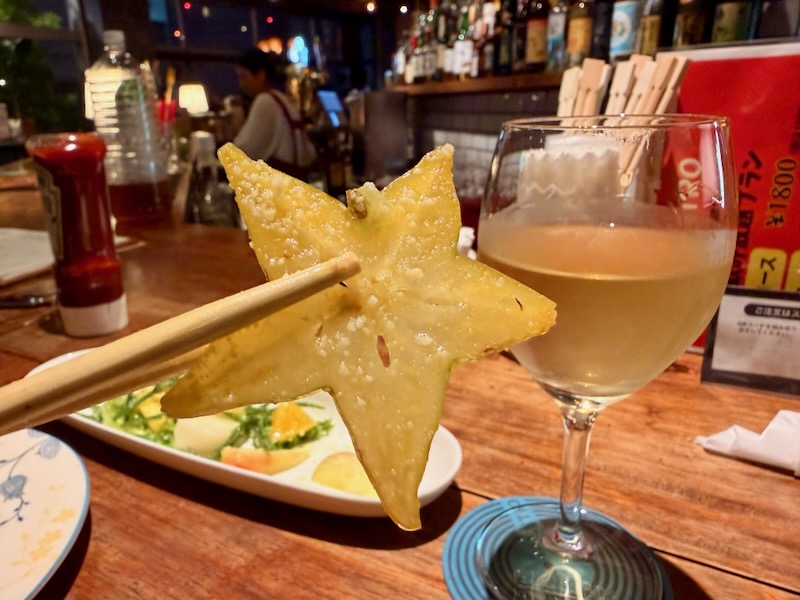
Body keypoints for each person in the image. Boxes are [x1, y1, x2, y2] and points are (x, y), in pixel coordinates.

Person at [233, 49, 317, 180]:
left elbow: (244, 150)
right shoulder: (285, 100)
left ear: (261, 75)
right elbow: (310, 153)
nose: (241, 84)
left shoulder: (265, 101)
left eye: (244, 77)